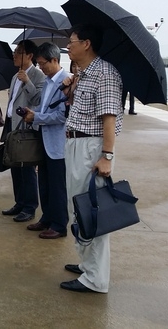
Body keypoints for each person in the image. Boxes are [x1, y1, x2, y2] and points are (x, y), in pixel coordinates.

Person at [60, 24, 123, 294]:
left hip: (91, 146)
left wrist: (107, 156)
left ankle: (95, 279)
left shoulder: (104, 73)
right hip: (76, 142)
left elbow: (109, 117)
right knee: (78, 207)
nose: (68, 46)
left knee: (92, 210)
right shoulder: (83, 74)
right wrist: (69, 87)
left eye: (71, 42)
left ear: (86, 43)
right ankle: (88, 265)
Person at [22, 43, 69, 239]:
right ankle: (47, 218)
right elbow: (46, 109)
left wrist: (37, 118)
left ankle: (59, 224)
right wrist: (34, 114)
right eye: (39, 64)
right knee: (45, 182)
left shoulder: (66, 82)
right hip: (45, 139)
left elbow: (61, 116)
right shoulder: (49, 81)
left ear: (55, 60)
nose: (41, 68)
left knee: (57, 185)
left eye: (43, 64)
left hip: (58, 142)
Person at [0, 40, 45, 221]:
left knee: (26, 168)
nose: (15, 54)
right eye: (15, 51)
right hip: (11, 125)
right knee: (13, 165)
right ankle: (19, 202)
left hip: (26, 128)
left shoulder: (37, 75)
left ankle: (30, 206)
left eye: (18, 52)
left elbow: (38, 100)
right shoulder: (14, 76)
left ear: (29, 56)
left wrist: (27, 81)